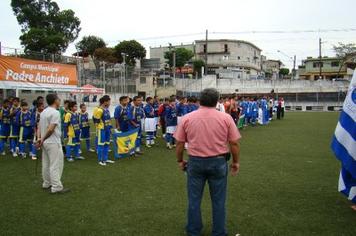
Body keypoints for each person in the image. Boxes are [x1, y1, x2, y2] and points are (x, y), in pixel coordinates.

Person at [174, 88, 241, 236]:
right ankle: (219, 232)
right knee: (218, 200)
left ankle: (193, 230)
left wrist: (180, 160)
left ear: (200, 100)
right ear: (217, 101)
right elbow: (234, 143)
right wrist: (236, 162)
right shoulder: (226, 118)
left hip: (195, 162)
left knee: (194, 199)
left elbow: (179, 143)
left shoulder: (187, 118)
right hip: (218, 162)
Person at [37, 93, 69, 194]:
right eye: (59, 99)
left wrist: (40, 138)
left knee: (46, 163)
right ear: (55, 100)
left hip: (46, 142)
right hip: (53, 142)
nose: (60, 101)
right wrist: (42, 139)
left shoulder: (43, 112)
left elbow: (39, 126)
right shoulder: (55, 113)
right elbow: (51, 129)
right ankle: (56, 186)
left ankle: (47, 183)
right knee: (56, 164)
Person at [93, 95, 114, 166]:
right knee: (101, 145)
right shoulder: (99, 110)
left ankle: (105, 159)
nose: (110, 103)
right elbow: (96, 121)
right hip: (102, 130)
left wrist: (110, 128)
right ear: (105, 102)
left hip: (107, 129)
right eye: (109, 101)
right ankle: (100, 160)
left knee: (107, 144)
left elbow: (108, 120)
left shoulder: (107, 110)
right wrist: (100, 128)